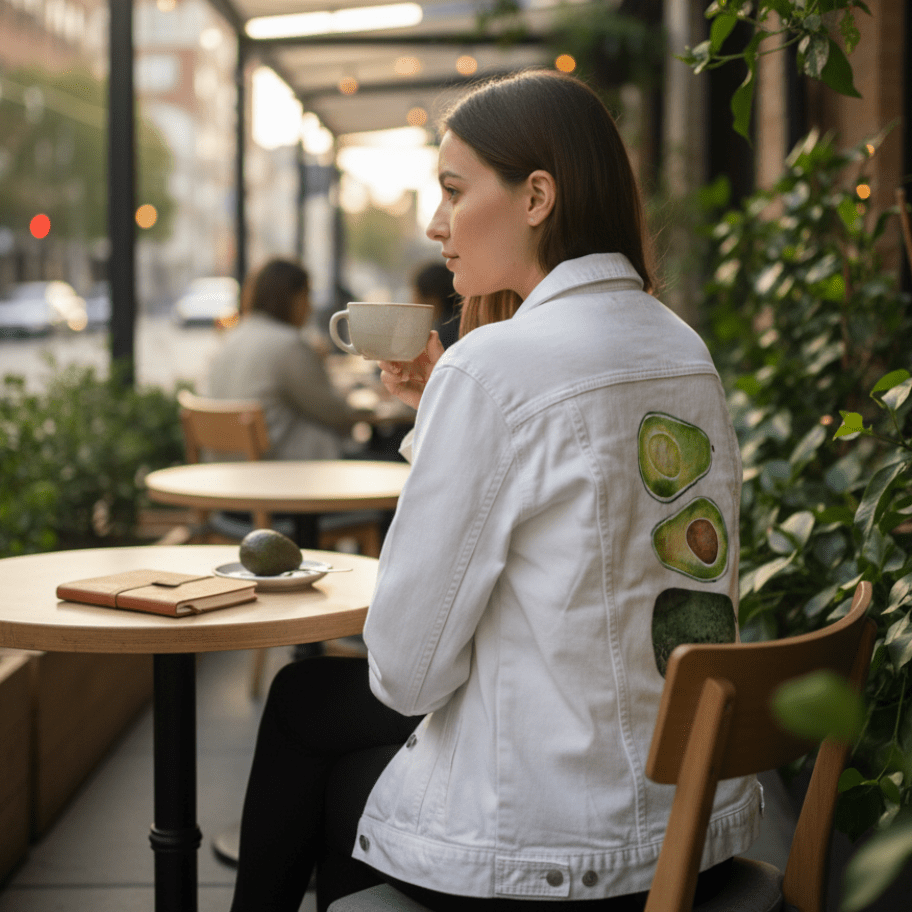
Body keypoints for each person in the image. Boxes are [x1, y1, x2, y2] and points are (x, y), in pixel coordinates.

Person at [228, 70, 761, 912]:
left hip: (563, 853)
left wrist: (462, 394)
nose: (435, 226)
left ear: (536, 196)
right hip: (692, 829)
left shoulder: (496, 365)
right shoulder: (682, 347)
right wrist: (449, 402)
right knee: (314, 712)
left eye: (452, 189)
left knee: (317, 732)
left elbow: (405, 675)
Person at [207, 258, 369, 460]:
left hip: (229, 470)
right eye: (307, 296)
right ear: (294, 298)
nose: (310, 308)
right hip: (284, 470)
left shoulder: (233, 338)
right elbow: (338, 413)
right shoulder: (289, 345)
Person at [412, 260, 460, 349]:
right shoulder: (459, 322)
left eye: (416, 295)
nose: (413, 302)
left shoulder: (446, 333)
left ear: (432, 300)